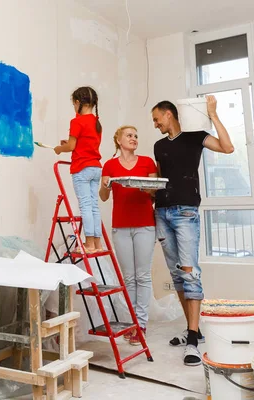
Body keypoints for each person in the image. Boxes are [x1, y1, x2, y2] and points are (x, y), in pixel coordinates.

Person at [151, 95, 234, 366]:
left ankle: (192, 338)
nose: (155, 124)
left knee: (190, 274)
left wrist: (213, 115)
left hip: (186, 212)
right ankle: (193, 331)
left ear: (169, 114)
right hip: (161, 212)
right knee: (177, 276)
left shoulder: (195, 136)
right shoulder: (158, 145)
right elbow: (160, 179)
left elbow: (227, 147)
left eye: (156, 119)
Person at [99, 126, 158, 346]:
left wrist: (145, 188)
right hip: (121, 226)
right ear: (118, 139)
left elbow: (155, 191)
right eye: (129, 135)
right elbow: (104, 196)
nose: (134, 138)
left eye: (136, 135)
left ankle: (140, 325)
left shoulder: (147, 163)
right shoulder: (110, 165)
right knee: (129, 278)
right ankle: (131, 323)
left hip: (144, 225)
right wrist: (106, 184)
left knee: (142, 276)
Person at [55, 86, 103, 253]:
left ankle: (88, 243)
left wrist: (60, 149)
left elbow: (72, 145)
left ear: (77, 102)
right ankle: (97, 243)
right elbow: (84, 143)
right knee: (94, 206)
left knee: (85, 206)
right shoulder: (96, 123)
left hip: (82, 168)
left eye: (74, 104)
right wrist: (68, 144)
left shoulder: (77, 121)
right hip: (96, 168)